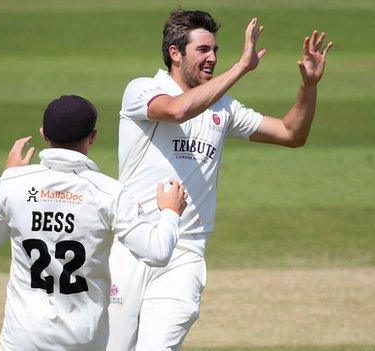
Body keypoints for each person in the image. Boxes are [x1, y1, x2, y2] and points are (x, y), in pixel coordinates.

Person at [108, 9, 333, 351]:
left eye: (216, 50)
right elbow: (177, 110)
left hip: (184, 252)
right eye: (203, 50)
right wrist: (241, 67)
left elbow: (291, 133)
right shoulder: (143, 89)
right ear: (174, 52)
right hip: (132, 245)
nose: (213, 57)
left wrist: (308, 86)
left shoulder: (223, 108)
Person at [0, 95, 188, 351]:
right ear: (93, 137)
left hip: (23, 338)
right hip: (83, 339)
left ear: (44, 134)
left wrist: (5, 177)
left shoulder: (11, 185)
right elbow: (158, 252)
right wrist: (170, 212)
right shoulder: (110, 192)